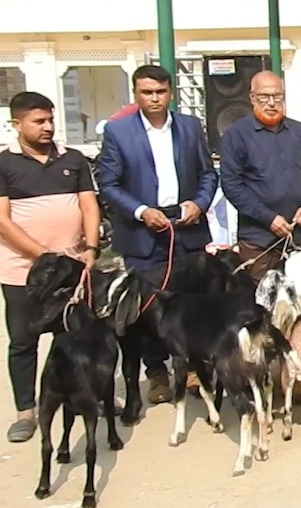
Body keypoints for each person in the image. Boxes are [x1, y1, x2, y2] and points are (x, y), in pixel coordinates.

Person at [96, 64, 218, 404]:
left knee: (191, 302)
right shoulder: (118, 132)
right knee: (146, 305)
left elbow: (208, 174)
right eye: (147, 92)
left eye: (160, 92)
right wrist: (140, 211)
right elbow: (108, 183)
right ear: (135, 93)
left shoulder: (190, 127)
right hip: (142, 230)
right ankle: (157, 372)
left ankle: (194, 368)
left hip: (186, 226)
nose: (154, 98)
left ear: (170, 92)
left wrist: (199, 203)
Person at [0, 92, 99, 442]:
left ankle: (83, 397)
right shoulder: (4, 164)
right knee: (24, 341)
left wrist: (90, 248)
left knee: (75, 338)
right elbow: (3, 221)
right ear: (17, 124)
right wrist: (46, 257)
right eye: (38, 121)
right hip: (22, 273)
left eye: (50, 120)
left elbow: (88, 206)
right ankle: (26, 411)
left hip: (73, 271)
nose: (47, 127)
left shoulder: (73, 159)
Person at [219, 71, 301, 283]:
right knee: (259, 303)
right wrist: (268, 218)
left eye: (277, 96)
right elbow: (232, 185)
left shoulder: (300, 132)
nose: (271, 103)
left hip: (298, 236)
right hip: (258, 240)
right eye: (264, 97)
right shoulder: (236, 135)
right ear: (252, 98)